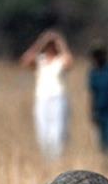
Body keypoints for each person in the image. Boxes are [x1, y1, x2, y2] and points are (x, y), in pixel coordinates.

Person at [20, 29, 74, 160]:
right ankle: (47, 158)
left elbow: (70, 63)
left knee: (57, 131)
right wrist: (41, 42)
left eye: (52, 44)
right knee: (42, 132)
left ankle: (57, 158)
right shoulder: (40, 60)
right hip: (42, 98)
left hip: (58, 98)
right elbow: (25, 61)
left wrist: (60, 42)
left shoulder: (60, 60)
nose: (50, 47)